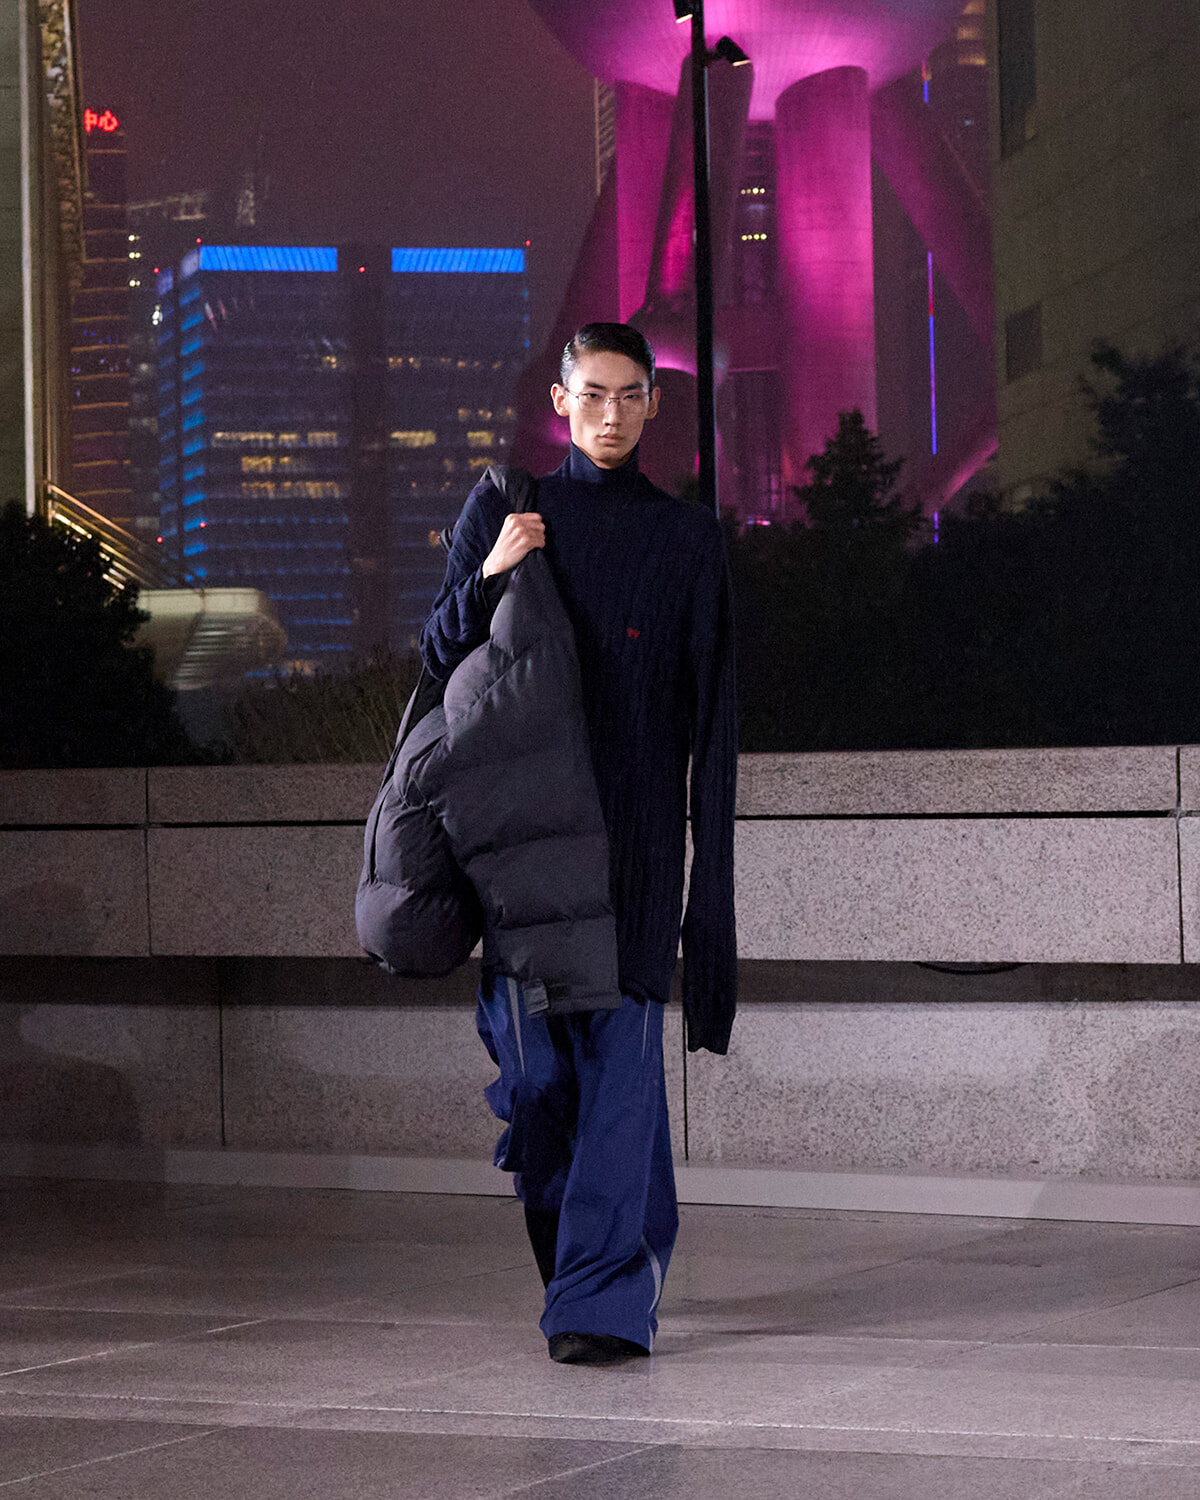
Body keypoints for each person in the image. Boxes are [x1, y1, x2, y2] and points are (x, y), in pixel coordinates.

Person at [420, 322, 737, 1365]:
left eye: (629, 395)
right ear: (560, 402)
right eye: (591, 395)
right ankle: (609, 1251)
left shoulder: (688, 539)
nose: (610, 413)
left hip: (637, 854)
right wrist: (491, 574)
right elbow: (437, 663)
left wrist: (708, 885)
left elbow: (714, 717)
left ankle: (598, 1302)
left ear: (653, 404)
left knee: (620, 1072)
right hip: (525, 859)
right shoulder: (508, 508)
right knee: (543, 1086)